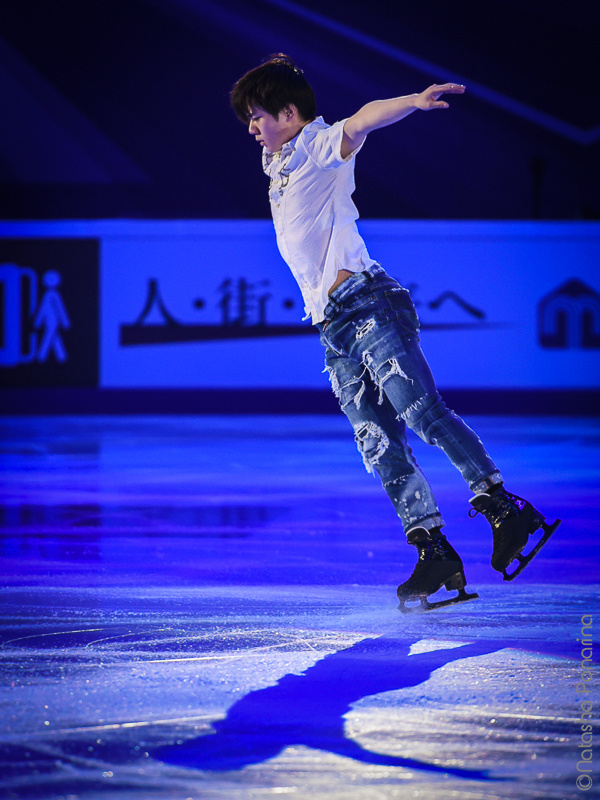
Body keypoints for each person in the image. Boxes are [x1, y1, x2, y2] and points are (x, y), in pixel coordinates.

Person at [230, 54, 560, 612]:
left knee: (421, 413)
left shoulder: (315, 144)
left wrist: (411, 101)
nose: (251, 126)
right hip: (331, 327)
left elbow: (360, 121)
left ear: (290, 113)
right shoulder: (279, 163)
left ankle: (506, 509)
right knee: (379, 445)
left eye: (258, 114)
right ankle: (433, 548)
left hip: (369, 304)